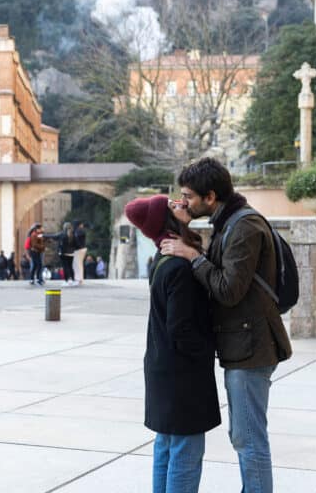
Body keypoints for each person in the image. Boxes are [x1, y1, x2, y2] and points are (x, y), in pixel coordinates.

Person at [161, 157, 293, 493]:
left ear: (210, 196)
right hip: (242, 344)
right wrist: (183, 224)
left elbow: (228, 290)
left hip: (253, 348)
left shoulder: (244, 227)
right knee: (245, 437)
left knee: (248, 440)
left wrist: (193, 257)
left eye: (189, 196)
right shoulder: (228, 221)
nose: (183, 201)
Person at [125, 194, 221, 492]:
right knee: (185, 452)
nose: (181, 202)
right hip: (181, 374)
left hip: (163, 368)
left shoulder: (162, 258)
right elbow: (182, 329)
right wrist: (213, 348)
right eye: (172, 205)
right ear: (166, 220)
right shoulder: (179, 266)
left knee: (166, 448)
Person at [56, 222, 76, 287]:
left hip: (63, 254)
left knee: (65, 267)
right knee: (70, 267)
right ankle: (73, 280)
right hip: (71, 254)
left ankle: (66, 280)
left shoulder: (62, 234)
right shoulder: (73, 234)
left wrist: (43, 235)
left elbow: (54, 236)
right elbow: (77, 244)